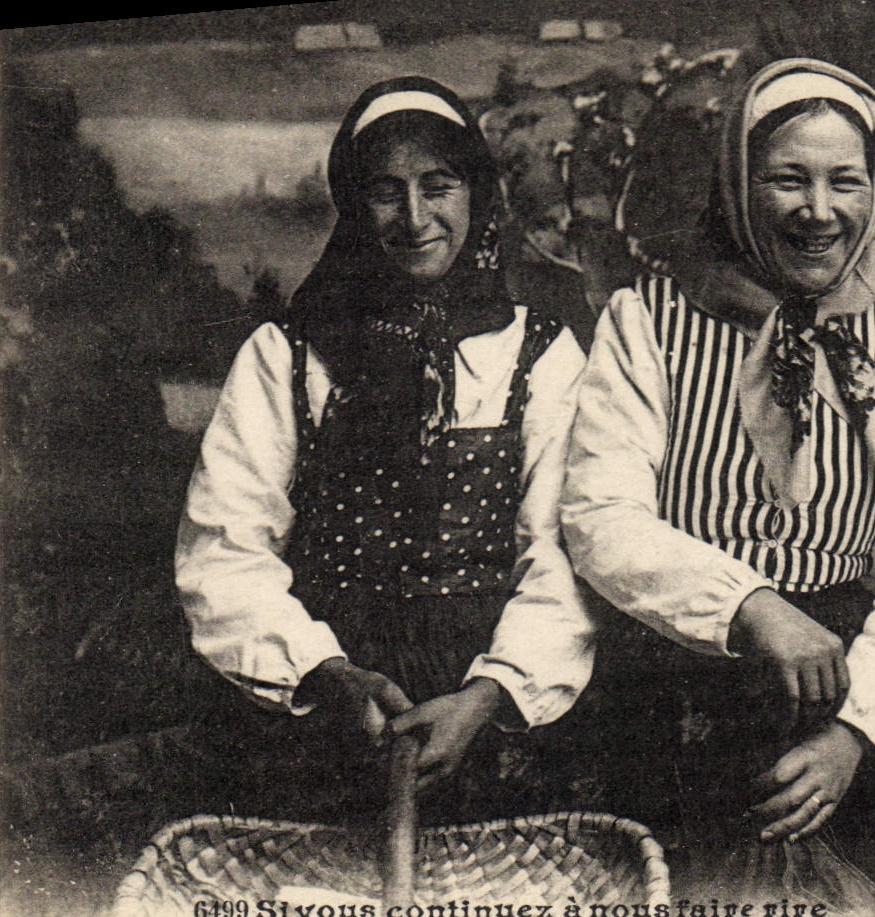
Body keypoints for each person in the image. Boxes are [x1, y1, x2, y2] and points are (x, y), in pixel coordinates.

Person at [559, 58, 875, 896]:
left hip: (848, 701)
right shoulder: (648, 321)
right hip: (676, 695)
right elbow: (601, 515)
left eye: (844, 182)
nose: (819, 212)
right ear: (738, 184)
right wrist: (750, 606)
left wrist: (859, 733)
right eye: (788, 179)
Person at [175, 77, 595, 822]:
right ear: (351, 205)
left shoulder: (541, 354)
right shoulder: (288, 355)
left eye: (439, 186)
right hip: (327, 706)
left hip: (490, 712)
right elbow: (225, 549)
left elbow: (559, 554)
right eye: (385, 192)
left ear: (476, 194)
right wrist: (321, 673)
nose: (415, 218)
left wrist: (492, 691)